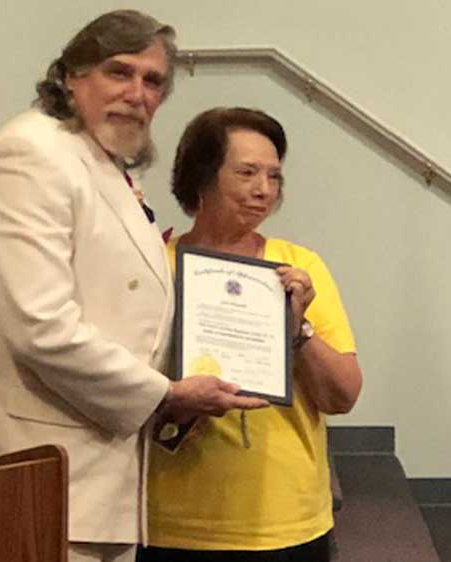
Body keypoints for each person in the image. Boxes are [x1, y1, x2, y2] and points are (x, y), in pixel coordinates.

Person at [0, 12, 266, 562]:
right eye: (119, 72)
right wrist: (164, 394)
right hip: (34, 474)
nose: (136, 94)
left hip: (94, 471)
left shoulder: (102, 162)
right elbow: (41, 328)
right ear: (72, 77)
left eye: (153, 81)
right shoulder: (29, 155)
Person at [139, 107, 363, 562]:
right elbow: (115, 387)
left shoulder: (300, 267)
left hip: (287, 522)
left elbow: (343, 396)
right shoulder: (151, 265)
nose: (264, 190)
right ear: (201, 177)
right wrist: (176, 400)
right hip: (174, 524)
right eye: (247, 173)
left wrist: (297, 328)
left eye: (274, 176)